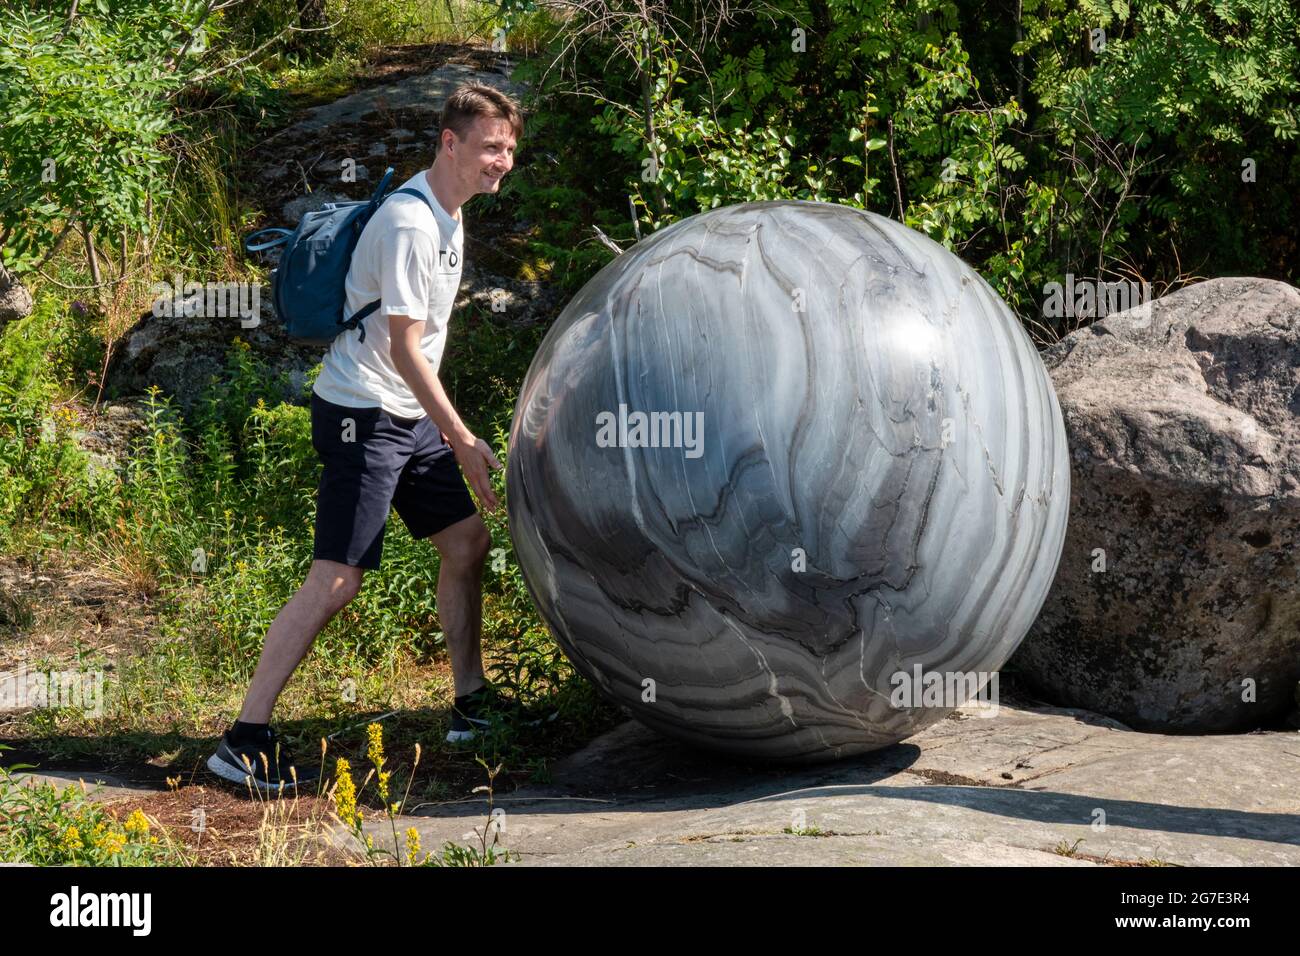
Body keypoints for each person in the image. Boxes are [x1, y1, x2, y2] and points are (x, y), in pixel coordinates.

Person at [207, 82, 524, 791]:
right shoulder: (413, 225)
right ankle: (244, 739)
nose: (501, 160)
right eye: (488, 147)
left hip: (402, 415)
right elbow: (406, 349)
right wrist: (464, 439)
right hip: (363, 418)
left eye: (508, 148)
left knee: (467, 542)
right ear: (450, 142)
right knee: (337, 579)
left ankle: (469, 704)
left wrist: (440, 431)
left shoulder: (451, 213)